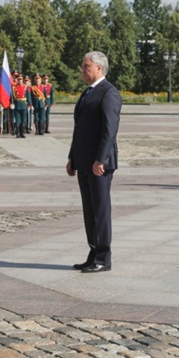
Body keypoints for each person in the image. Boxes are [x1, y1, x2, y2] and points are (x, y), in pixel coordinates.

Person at [66, 51, 121, 273]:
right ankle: (93, 252)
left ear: (99, 68)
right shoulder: (87, 93)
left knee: (100, 210)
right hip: (83, 160)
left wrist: (102, 159)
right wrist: (72, 157)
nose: (82, 70)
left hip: (99, 163)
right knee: (89, 210)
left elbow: (109, 130)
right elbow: (79, 129)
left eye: (86, 66)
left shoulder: (109, 93)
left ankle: (103, 257)